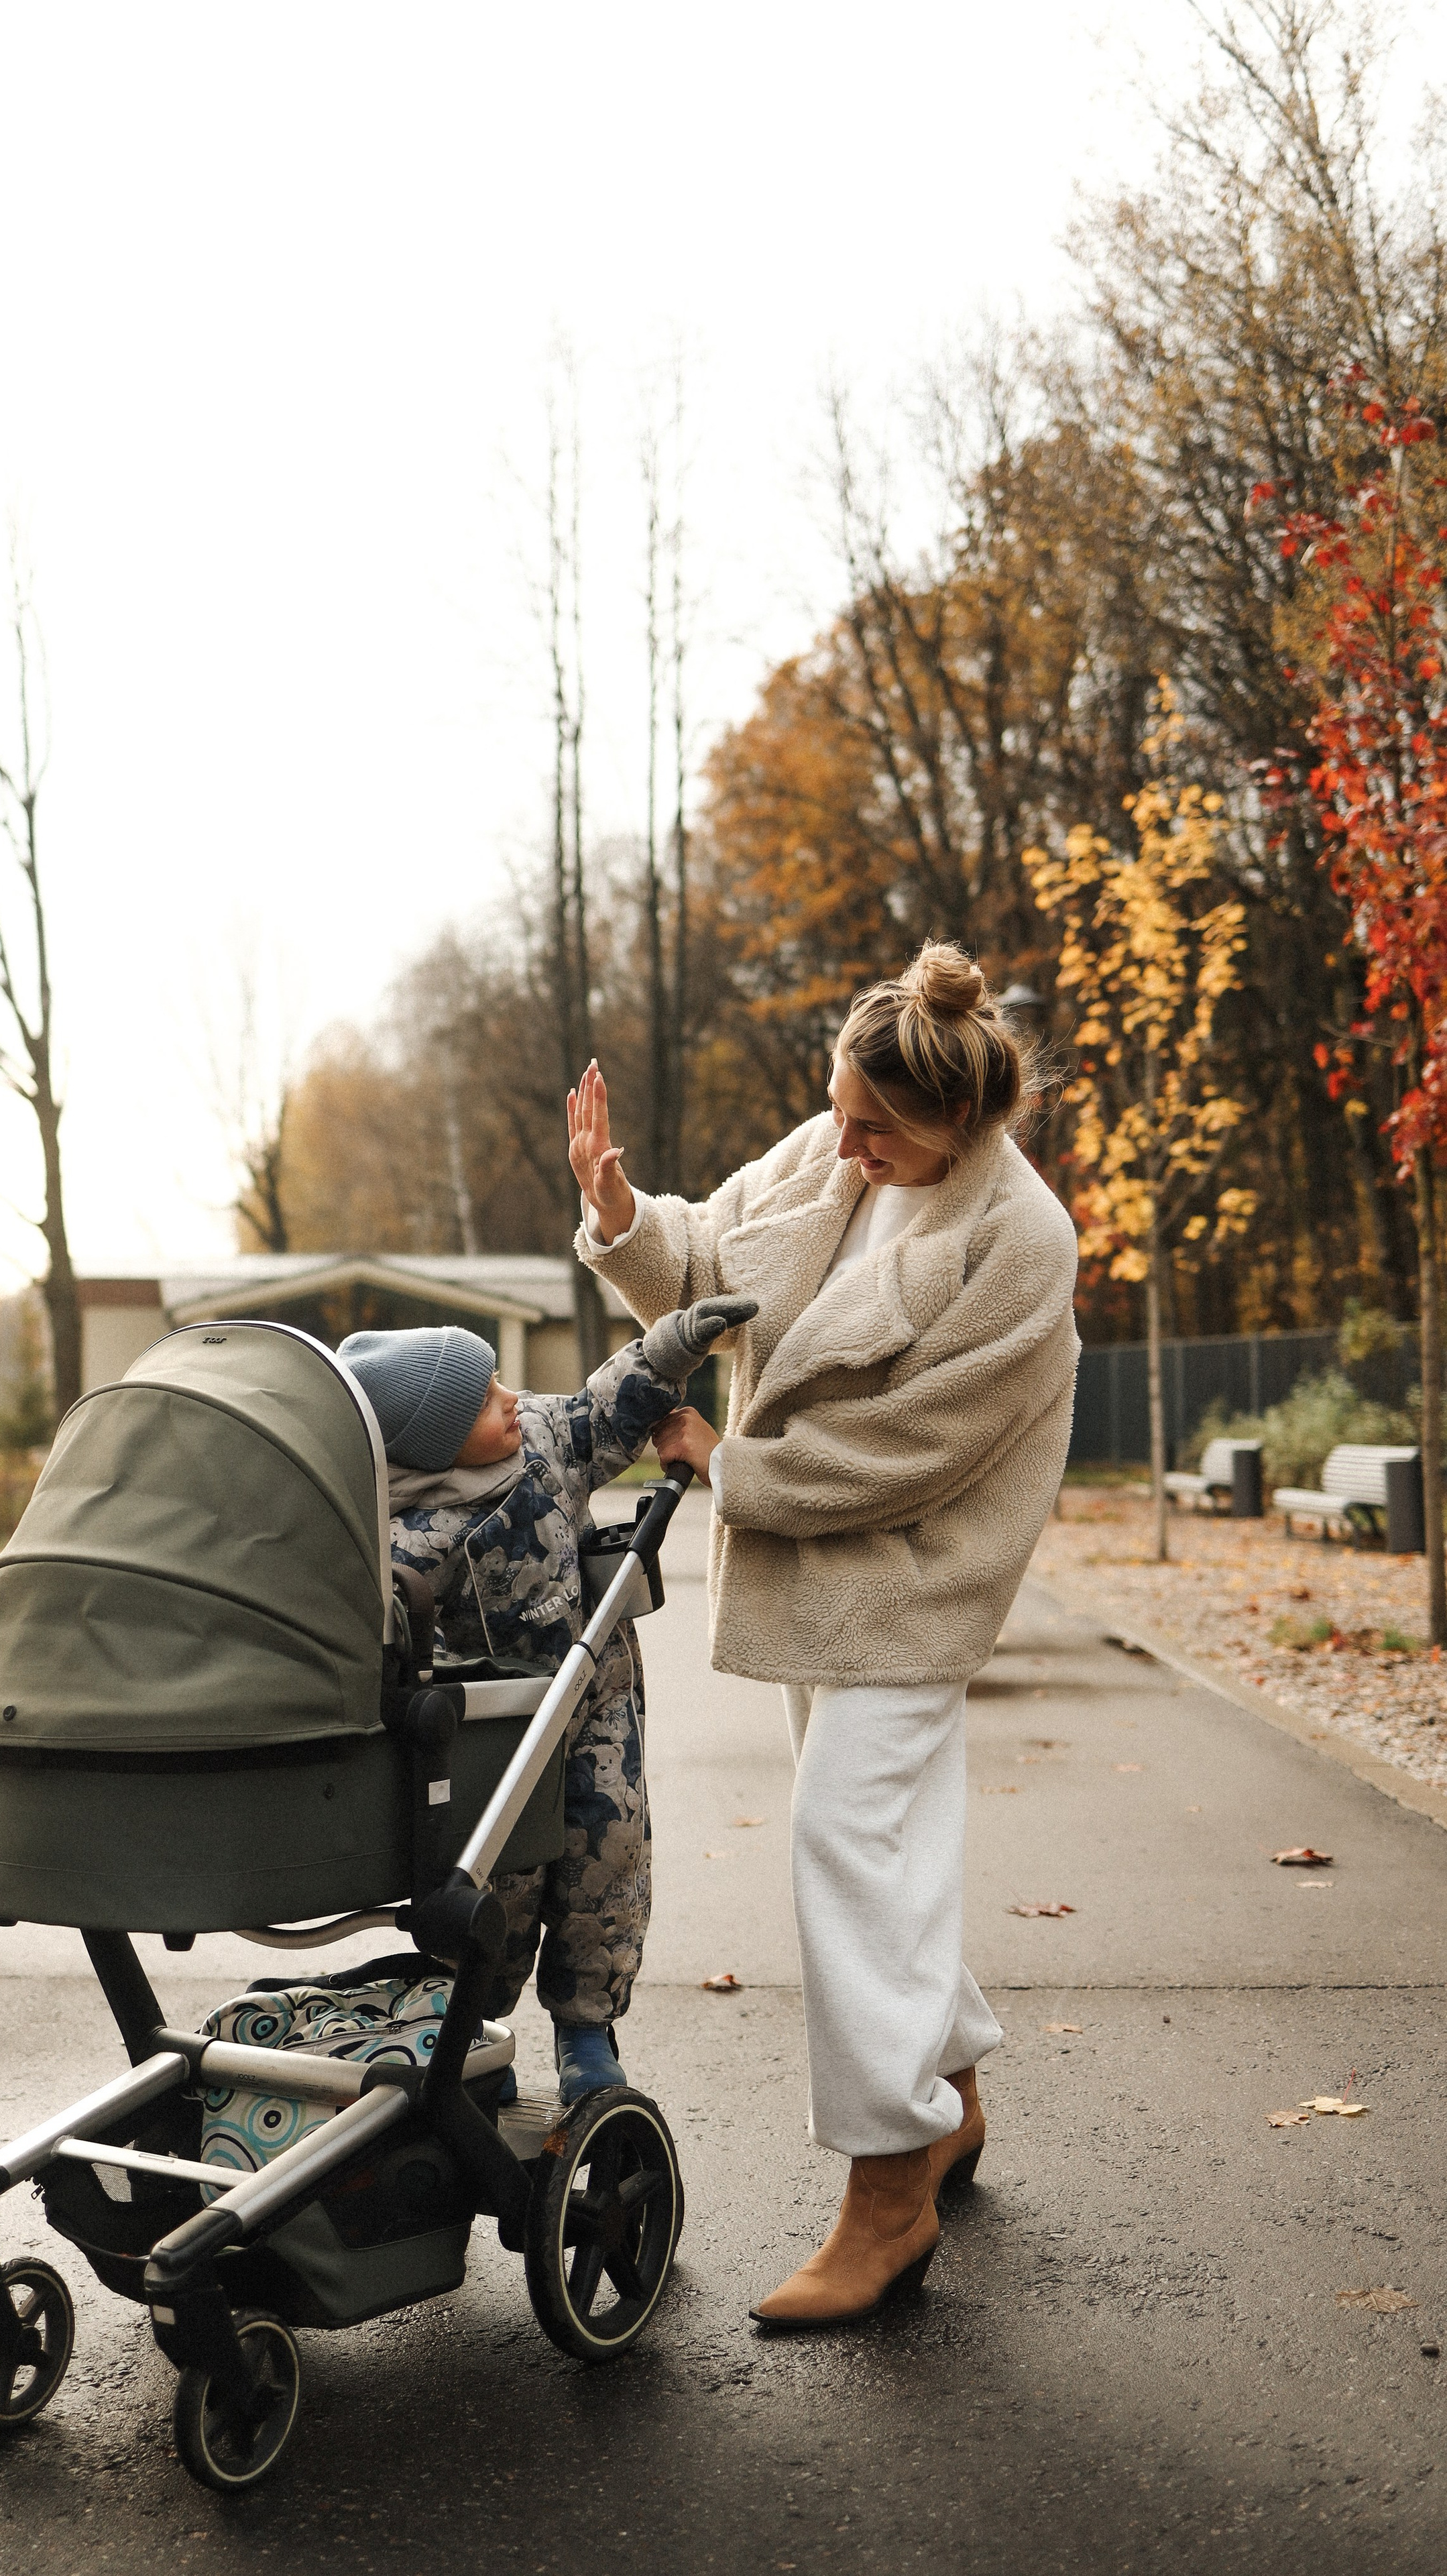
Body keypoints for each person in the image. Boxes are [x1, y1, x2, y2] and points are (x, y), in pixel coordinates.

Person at [567, 940, 1078, 2326]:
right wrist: (622, 1216)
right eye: (840, 1112)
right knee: (883, 1842)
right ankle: (951, 2084)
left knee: (841, 1837)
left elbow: (913, 1452)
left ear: (961, 1125)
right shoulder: (831, 1147)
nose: (846, 1147)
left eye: (880, 1131)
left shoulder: (1019, 1242)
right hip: (811, 1575)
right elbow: (709, 1254)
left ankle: (887, 2184)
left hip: (914, 1577)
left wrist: (726, 1464)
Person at [340, 1294, 753, 2105]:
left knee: (608, 1852)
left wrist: (673, 1344)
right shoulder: (408, 1535)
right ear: (429, 1442)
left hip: (595, 1702)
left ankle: (587, 2028)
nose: (510, 1399)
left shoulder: (542, 1439)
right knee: (498, 1882)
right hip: (492, 1732)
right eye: (485, 1400)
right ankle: (470, 2032)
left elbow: (604, 1403)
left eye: (499, 1382)